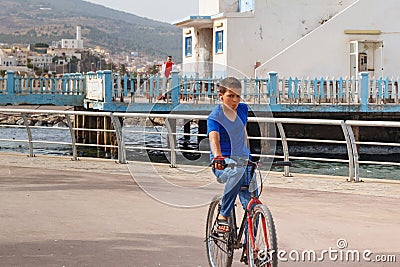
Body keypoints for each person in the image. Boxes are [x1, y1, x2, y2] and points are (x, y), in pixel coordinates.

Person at [207, 77, 255, 233]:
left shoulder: (243, 109)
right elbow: (214, 138)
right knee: (236, 172)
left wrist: (249, 155)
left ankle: (252, 251)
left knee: (253, 208)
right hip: (223, 163)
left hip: (243, 160)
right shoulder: (215, 116)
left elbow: (242, 133)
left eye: (238, 96)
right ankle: (223, 214)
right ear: (220, 96)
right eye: (230, 96)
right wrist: (218, 156)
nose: (235, 100)